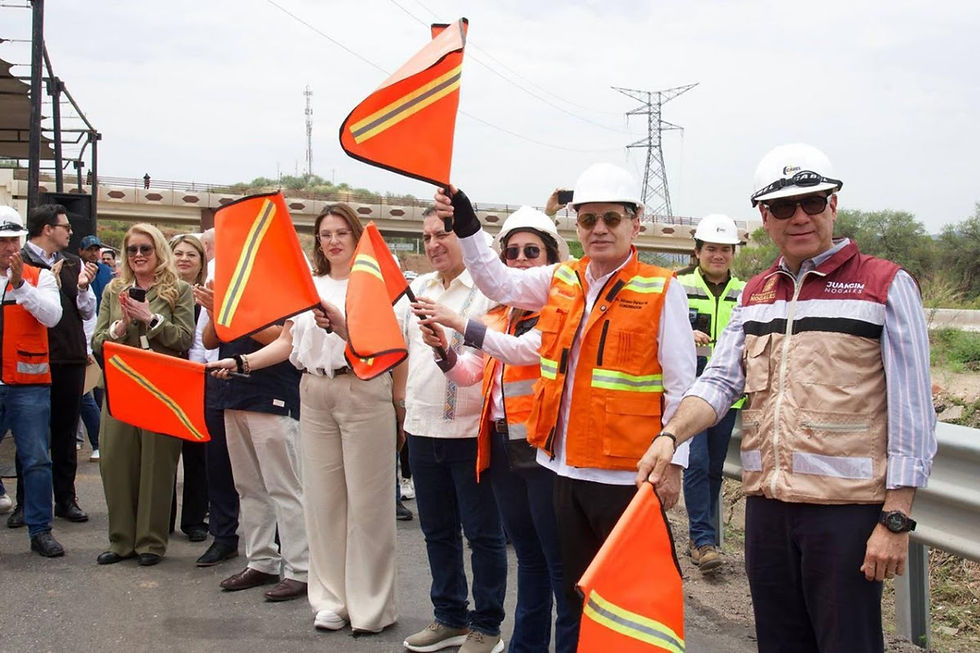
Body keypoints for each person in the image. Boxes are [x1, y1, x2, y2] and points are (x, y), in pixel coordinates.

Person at [637, 143, 937, 653]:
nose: (799, 217)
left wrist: (895, 518)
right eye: (782, 207)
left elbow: (912, 410)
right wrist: (671, 436)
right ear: (764, 216)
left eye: (812, 202)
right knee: (778, 642)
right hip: (768, 511)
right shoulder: (756, 292)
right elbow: (719, 383)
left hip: (844, 515)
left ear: (833, 205)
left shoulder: (883, 284)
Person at [434, 163, 695, 648]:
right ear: (577, 224)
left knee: (629, 597)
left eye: (611, 219)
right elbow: (498, 284)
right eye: (589, 219)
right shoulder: (562, 278)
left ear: (634, 223)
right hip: (563, 470)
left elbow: (682, 386)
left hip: (625, 476)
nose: (599, 229)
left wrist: (674, 463)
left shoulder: (662, 288)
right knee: (577, 597)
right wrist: (468, 225)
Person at [210, 203, 400, 625]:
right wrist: (242, 364)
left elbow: (386, 346)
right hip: (313, 390)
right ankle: (330, 600)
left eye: (340, 233)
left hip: (362, 388)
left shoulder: (375, 284)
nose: (332, 241)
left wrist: (342, 324)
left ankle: (370, 606)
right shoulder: (309, 286)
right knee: (323, 502)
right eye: (325, 234)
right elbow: (285, 344)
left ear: (356, 237)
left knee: (368, 506)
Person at [412, 206, 577, 653]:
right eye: (513, 253)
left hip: (546, 451)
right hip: (505, 449)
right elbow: (472, 372)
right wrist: (445, 352)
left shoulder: (561, 308)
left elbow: (525, 352)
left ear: (551, 258)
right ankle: (527, 646)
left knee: (557, 565)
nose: (521, 260)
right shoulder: (499, 313)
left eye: (532, 251)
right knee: (529, 559)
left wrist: (459, 323)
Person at [400, 209, 507, 653]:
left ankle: (486, 625)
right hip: (422, 428)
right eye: (426, 237)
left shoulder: (488, 294)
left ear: (464, 237)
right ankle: (449, 617)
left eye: (442, 234)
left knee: (482, 534)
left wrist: (446, 345)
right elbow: (386, 344)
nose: (433, 244)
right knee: (438, 531)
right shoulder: (418, 290)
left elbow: (482, 366)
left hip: (471, 432)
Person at [91, 223, 194, 566]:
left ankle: (150, 543)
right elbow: (97, 342)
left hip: (161, 389)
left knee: (156, 466)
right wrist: (119, 327)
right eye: (132, 249)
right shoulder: (113, 289)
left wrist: (151, 320)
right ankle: (121, 541)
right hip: (122, 387)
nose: (138, 255)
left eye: (145, 249)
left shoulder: (177, 290)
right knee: (116, 462)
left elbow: (183, 340)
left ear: (158, 251)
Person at [11, 204, 97, 528]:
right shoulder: (20, 262)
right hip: (31, 358)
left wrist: (84, 287)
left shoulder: (75, 263)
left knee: (64, 432)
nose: (70, 232)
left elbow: (86, 313)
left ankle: (65, 498)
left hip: (68, 356)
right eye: (64, 227)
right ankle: (25, 503)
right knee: (29, 434)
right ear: (47, 229)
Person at [678, 213, 745, 574]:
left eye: (725, 249)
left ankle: (702, 538)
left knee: (714, 468)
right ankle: (703, 541)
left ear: (733, 253)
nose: (718, 255)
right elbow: (657, 330)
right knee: (698, 462)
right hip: (690, 391)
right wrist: (682, 333)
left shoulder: (747, 292)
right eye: (711, 249)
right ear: (697, 251)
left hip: (729, 394)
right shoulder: (677, 285)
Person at [0, 206, 64, 556]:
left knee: (36, 459)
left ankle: (40, 530)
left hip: (29, 384)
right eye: (3, 241)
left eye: (14, 240)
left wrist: (20, 285)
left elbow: (53, 317)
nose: (10, 247)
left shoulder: (40, 277)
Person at [166, 234, 210, 542]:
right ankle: (161, 518)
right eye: (178, 253)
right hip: (166, 379)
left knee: (197, 455)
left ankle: (194, 519)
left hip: (200, 379)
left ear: (201, 262)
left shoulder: (209, 295)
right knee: (164, 455)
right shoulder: (161, 293)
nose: (183, 259)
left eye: (190, 255)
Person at [78, 234, 114, 312]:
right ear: (80, 251)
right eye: (89, 249)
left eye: (96, 250)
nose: (93, 253)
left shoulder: (107, 271)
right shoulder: (74, 269)